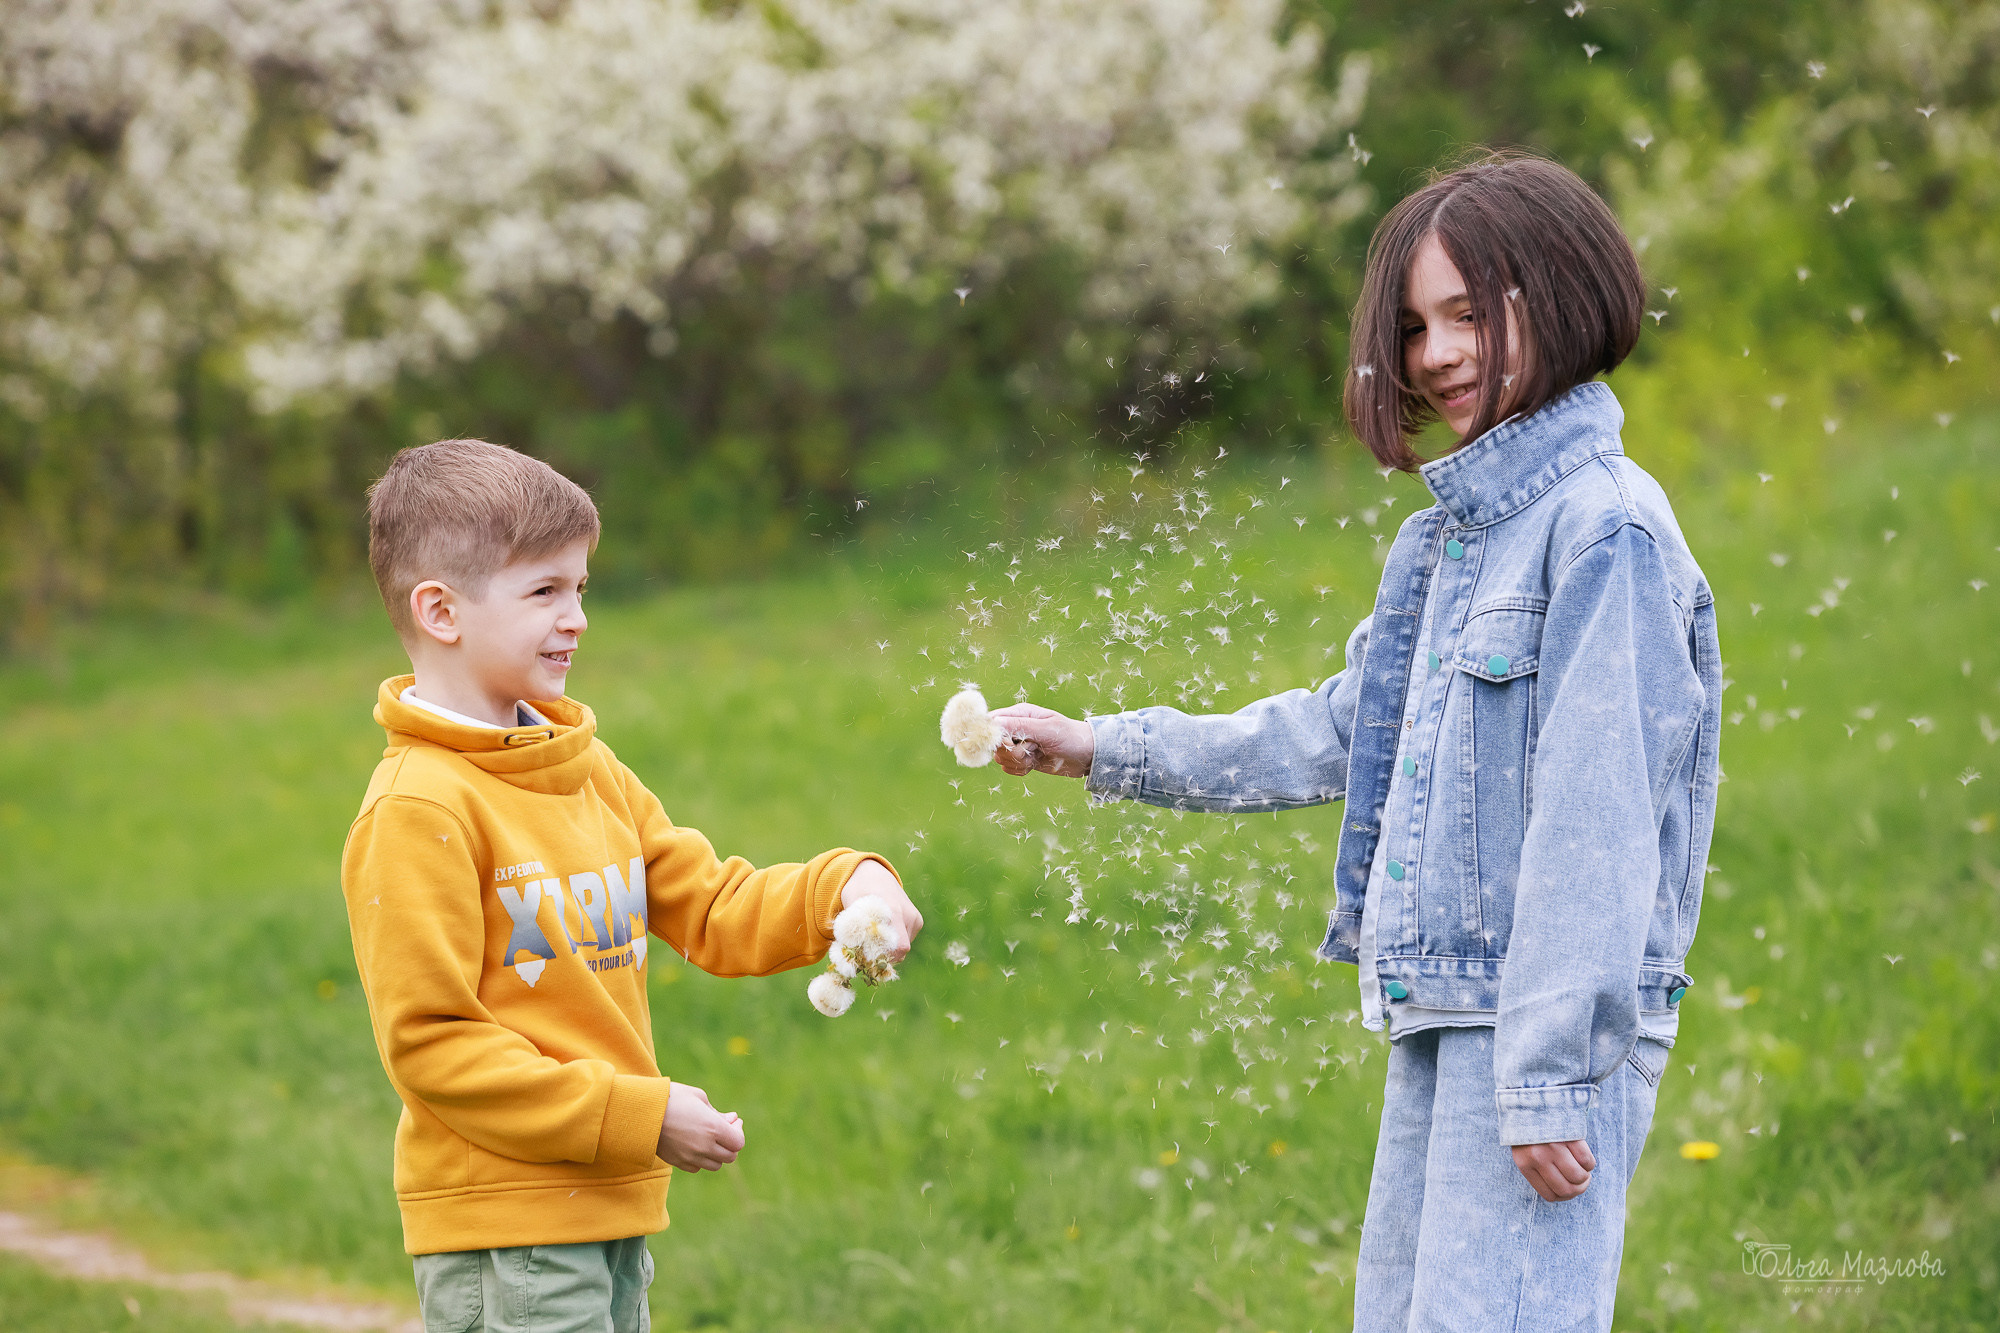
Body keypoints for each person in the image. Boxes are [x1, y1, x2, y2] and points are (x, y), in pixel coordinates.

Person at [992, 151, 1721, 1331]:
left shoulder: (1606, 533)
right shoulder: (1444, 546)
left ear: (1568, 291)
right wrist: (1103, 746)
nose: (1435, 355)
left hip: (1535, 1029)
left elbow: (1599, 818)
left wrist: (1543, 1071)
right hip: (1444, 1008)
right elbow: (1342, 726)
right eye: (1414, 326)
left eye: (1470, 316)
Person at [341, 439, 922, 1333]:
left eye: (581, 588)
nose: (576, 617)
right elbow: (432, 1045)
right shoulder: (421, 808)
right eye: (544, 591)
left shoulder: (586, 769)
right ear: (440, 611)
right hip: (510, 1224)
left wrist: (845, 886)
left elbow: (711, 904)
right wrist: (638, 1115)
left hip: (608, 1201)